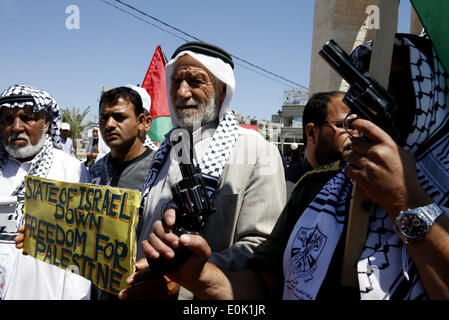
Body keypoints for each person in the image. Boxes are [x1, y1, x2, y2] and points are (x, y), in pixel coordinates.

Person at [136, 33, 449, 300]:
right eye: (361, 87)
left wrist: (406, 203)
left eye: (391, 87)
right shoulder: (316, 190)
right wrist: (197, 276)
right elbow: (267, 284)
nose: (366, 106)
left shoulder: (256, 151)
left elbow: (252, 248)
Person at [119, 41, 286, 300]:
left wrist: (182, 279)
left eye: (196, 82)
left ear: (222, 90)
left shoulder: (257, 151)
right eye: (176, 82)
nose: (182, 92)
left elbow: (259, 250)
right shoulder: (167, 149)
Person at [0, 84, 91, 299]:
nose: (16, 127)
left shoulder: (71, 170)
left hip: (45, 289)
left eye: (27, 118)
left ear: (47, 122)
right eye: (7, 119)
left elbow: (81, 249)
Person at [88, 85, 158, 300]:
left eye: (119, 117)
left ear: (143, 122)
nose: (109, 125)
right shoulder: (96, 169)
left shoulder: (160, 170)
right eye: (104, 118)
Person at [284, 91, 352, 197]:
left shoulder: (358, 185)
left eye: (357, 127)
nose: (355, 133)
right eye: (343, 125)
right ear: (312, 133)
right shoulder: (284, 185)